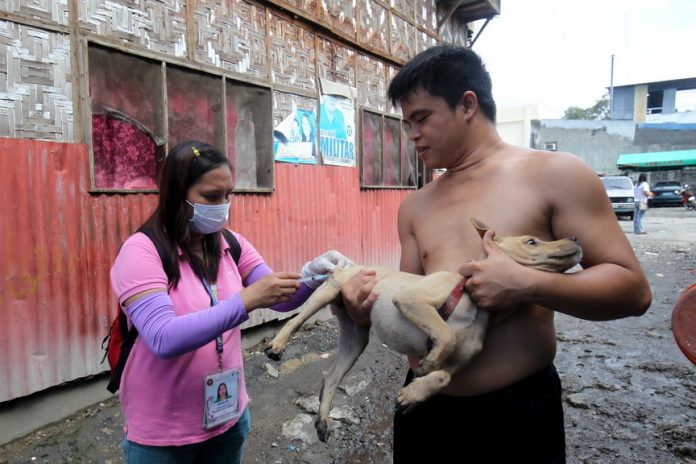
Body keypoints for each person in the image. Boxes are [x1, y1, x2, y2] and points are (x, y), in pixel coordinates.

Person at [343, 44, 652, 462]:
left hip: (516, 416)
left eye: (422, 118)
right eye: (407, 123)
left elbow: (632, 290)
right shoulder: (414, 206)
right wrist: (363, 307)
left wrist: (528, 285)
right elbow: (410, 305)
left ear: (467, 104)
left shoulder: (554, 174)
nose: (411, 134)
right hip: (424, 409)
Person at [110, 140, 351, 464]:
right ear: (175, 195)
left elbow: (279, 298)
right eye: (211, 197)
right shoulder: (142, 252)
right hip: (164, 433)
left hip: (227, 417)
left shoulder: (230, 243)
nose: (223, 206)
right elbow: (162, 337)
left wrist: (314, 274)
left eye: (227, 195)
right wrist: (244, 302)